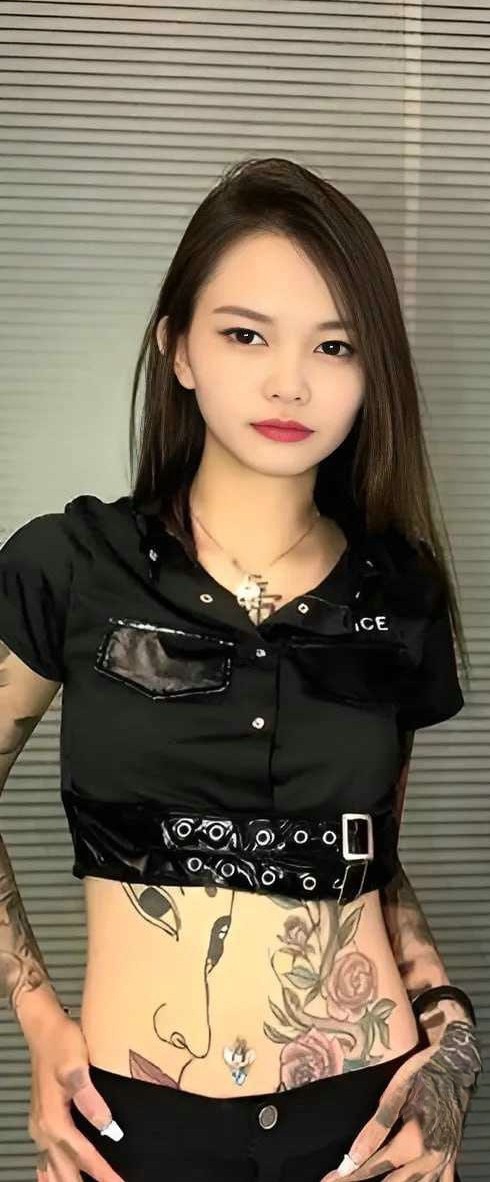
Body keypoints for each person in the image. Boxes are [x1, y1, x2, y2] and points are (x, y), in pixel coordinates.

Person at [0, 156, 482, 1182]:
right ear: (177, 347)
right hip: (135, 1126)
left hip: (364, 1122)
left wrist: (453, 1042)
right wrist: (39, 1023)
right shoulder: (70, 567)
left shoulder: (400, 595)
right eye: (245, 334)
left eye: (334, 345)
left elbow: (372, 862)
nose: (288, 381)